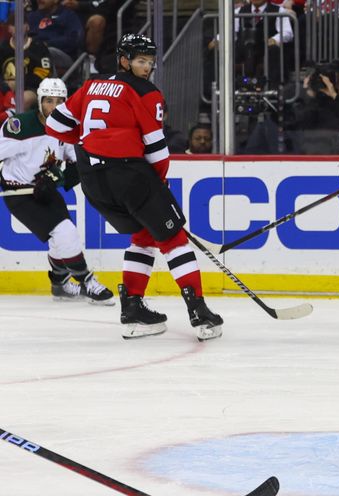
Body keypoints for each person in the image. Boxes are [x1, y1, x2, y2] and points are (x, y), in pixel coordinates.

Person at [45, 34, 223, 341]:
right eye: (141, 61)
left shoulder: (91, 85)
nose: (147, 67)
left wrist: (92, 145)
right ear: (124, 60)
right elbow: (156, 149)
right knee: (174, 239)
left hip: (93, 180)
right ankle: (199, 311)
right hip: (128, 174)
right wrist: (160, 184)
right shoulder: (147, 92)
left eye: (150, 62)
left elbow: (55, 125)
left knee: (143, 235)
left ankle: (133, 310)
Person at [0, 78, 113, 305]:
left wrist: (59, 178)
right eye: (49, 101)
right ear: (40, 101)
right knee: (65, 233)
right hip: (19, 194)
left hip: (46, 190)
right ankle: (86, 281)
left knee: (61, 239)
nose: (53, 106)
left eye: (59, 101)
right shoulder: (20, 126)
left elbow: (77, 163)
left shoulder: (67, 129)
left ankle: (60, 285)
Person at [0, 13, 52, 111]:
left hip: (32, 89)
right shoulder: (3, 48)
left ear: (27, 27)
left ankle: (15, 125)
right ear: (9, 29)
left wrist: (19, 83)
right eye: (14, 25)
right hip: (5, 89)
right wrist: (5, 85)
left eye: (22, 24)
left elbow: (44, 72)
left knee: (23, 99)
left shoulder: (38, 47)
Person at [234, 0, 294, 83]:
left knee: (274, 50)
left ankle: (273, 88)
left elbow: (287, 32)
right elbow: (230, 32)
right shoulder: (238, 12)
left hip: (265, 50)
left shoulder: (279, 11)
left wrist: (275, 39)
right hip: (244, 50)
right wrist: (218, 40)